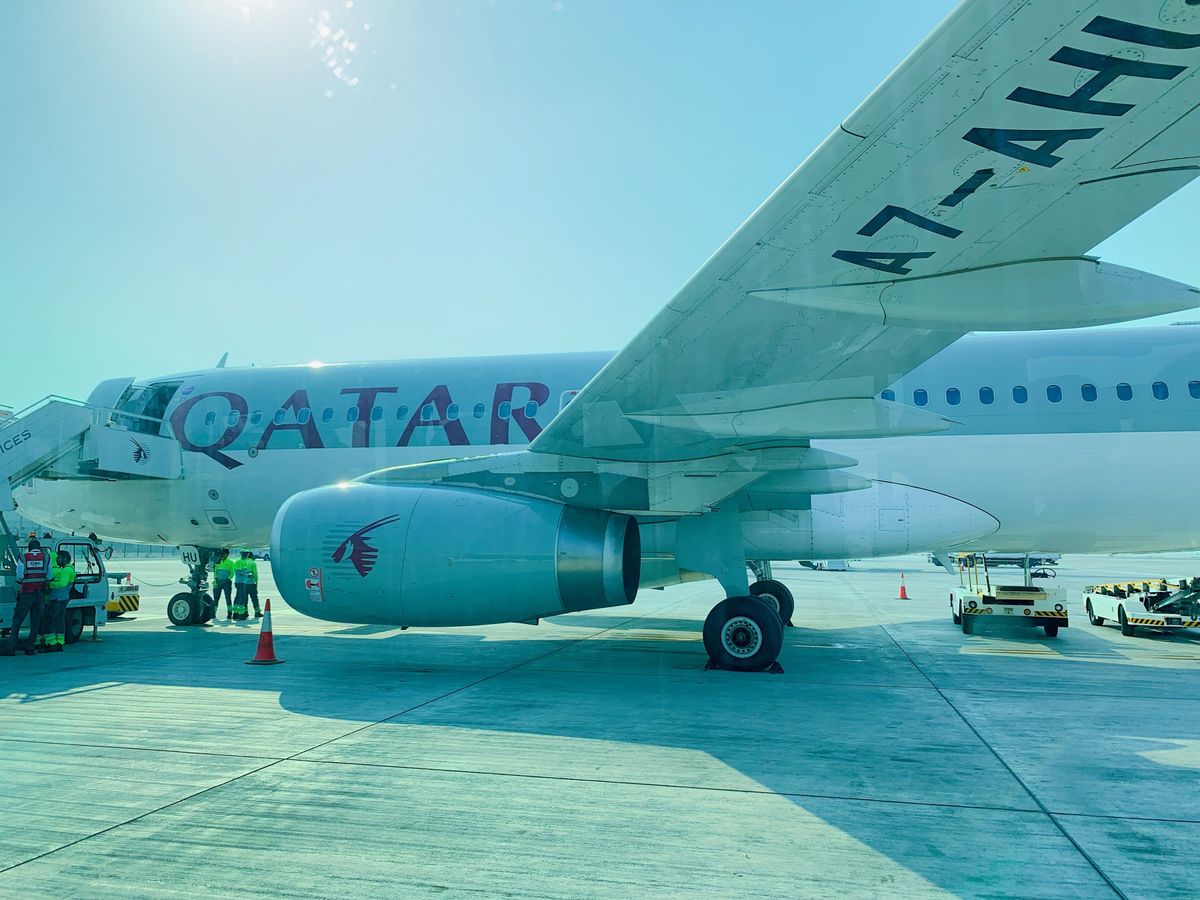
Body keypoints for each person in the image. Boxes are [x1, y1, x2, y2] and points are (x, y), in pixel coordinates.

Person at [3, 539, 51, 656]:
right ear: (39, 548)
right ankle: (30, 647)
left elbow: (19, 576)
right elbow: (50, 575)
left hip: (26, 592)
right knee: (36, 621)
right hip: (39, 592)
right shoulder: (46, 558)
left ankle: (11, 647)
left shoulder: (24, 558)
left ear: (29, 548)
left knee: (17, 620)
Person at [40, 549, 75, 653]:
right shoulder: (65, 569)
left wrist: (49, 584)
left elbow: (62, 584)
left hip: (58, 599)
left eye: (59, 558)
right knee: (59, 621)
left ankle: (52, 643)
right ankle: (59, 642)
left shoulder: (67, 570)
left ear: (65, 559)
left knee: (49, 620)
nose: (57, 559)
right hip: (61, 598)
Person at [233, 551, 261, 620]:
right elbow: (255, 575)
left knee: (243, 598)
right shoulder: (252, 563)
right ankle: (257, 612)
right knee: (254, 598)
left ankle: (244, 612)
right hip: (251, 583)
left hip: (242, 583)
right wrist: (256, 584)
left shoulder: (239, 561)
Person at [212, 549, 235, 620]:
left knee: (228, 598)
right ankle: (213, 613)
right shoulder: (218, 561)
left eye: (224, 554)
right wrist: (216, 578)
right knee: (216, 598)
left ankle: (229, 613)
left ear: (227, 554)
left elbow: (232, 572)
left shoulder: (231, 562)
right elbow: (215, 571)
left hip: (227, 582)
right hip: (218, 582)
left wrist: (228, 579)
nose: (222, 555)